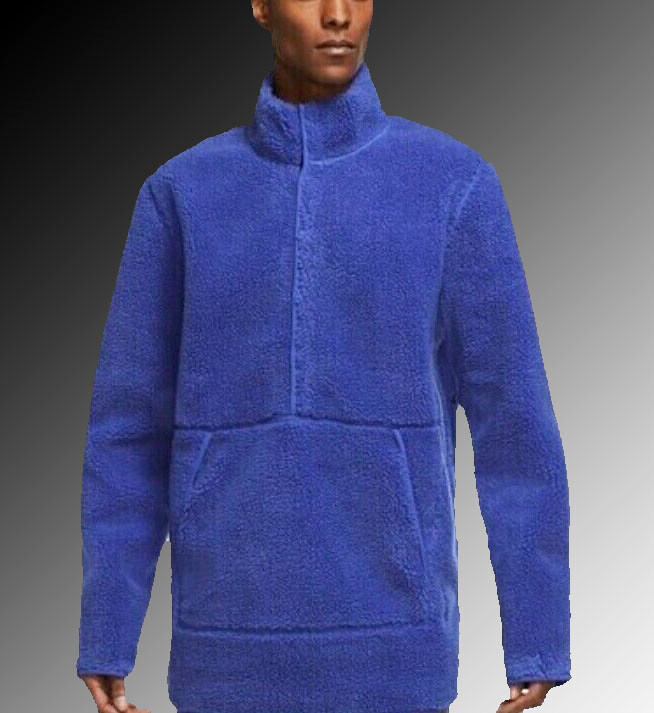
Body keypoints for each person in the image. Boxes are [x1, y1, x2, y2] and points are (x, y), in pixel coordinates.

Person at [76, 1, 571, 712]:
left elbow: (515, 425)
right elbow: (127, 433)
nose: (338, 15)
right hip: (223, 651)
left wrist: (537, 635)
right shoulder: (182, 196)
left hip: (399, 651)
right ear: (261, 6)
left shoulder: (452, 185)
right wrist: (108, 630)